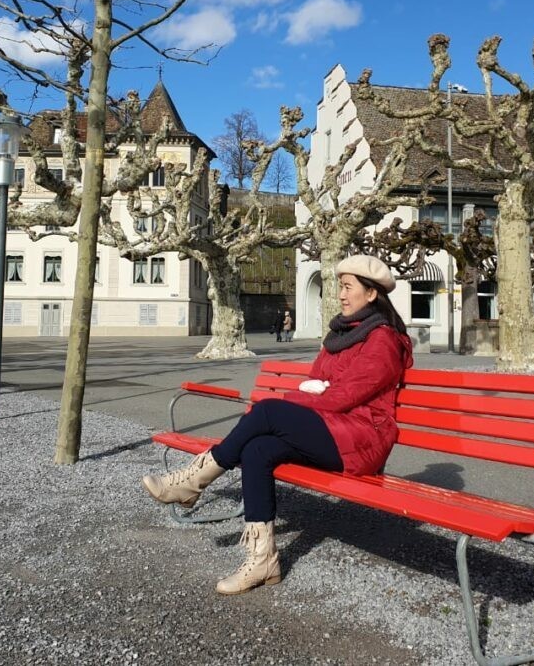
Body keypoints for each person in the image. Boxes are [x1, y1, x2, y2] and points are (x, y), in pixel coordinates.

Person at [142, 255, 413, 595]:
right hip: (332, 430)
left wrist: (304, 396)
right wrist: (312, 393)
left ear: (371, 294)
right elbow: (316, 385)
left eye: (348, 288)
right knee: (258, 450)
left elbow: (341, 396)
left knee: (269, 411)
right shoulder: (341, 335)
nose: (342, 295)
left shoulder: (382, 340)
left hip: (361, 439)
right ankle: (262, 560)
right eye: (339, 287)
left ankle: (195, 480)